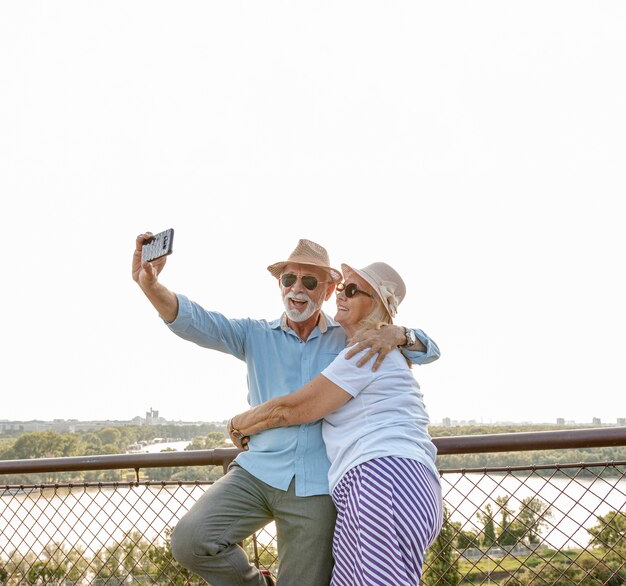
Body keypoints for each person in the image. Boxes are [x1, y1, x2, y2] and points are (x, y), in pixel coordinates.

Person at [132, 235, 440, 586]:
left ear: (327, 291)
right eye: (288, 279)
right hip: (258, 471)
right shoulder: (254, 334)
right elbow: (195, 321)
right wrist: (150, 285)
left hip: (317, 485)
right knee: (191, 540)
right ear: (279, 285)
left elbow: (428, 351)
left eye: (309, 281)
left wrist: (401, 334)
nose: (297, 288)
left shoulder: (353, 336)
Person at [229, 261, 443, 586]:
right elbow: (427, 348)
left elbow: (293, 408)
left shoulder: (365, 352)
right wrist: (401, 334)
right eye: (342, 288)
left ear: (377, 306)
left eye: (353, 290)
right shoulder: (382, 348)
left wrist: (239, 423)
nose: (341, 296)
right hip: (385, 485)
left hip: (380, 483)